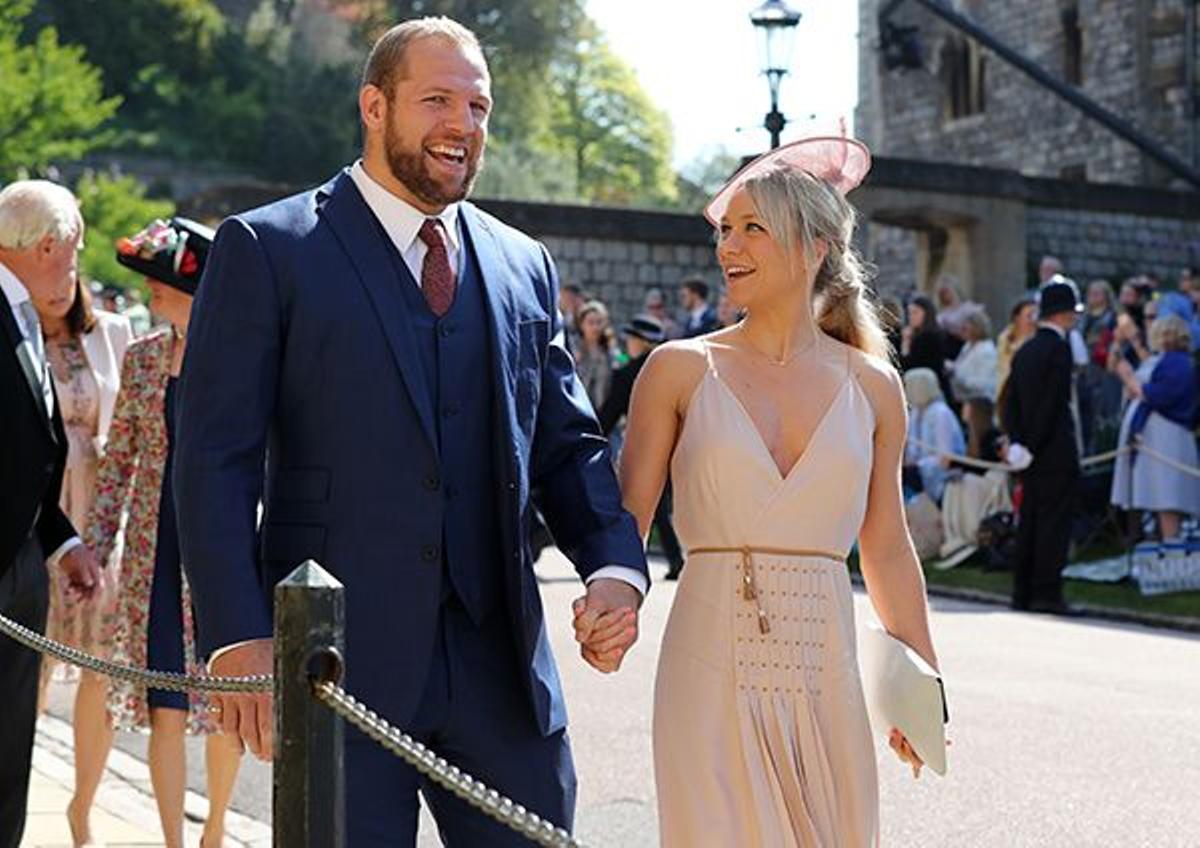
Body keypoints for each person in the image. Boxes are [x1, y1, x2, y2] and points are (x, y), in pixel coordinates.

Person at [173, 18, 647, 846]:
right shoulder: (269, 249)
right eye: (436, 100)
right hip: (336, 667)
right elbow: (215, 460)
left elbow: (565, 445)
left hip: (502, 671)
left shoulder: (521, 262)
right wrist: (239, 637)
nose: (462, 124)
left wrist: (612, 566)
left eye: (479, 105)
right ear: (373, 105)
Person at [619, 136, 939, 845]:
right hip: (705, 663)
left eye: (751, 228)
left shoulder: (874, 387)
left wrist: (924, 686)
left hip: (827, 670)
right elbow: (625, 526)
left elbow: (886, 548)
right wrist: (611, 600)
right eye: (725, 230)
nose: (728, 246)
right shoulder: (676, 370)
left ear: (815, 246)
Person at [80, 218, 244, 847]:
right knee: (165, 709)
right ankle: (176, 840)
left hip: (224, 550)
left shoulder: (239, 361)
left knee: (229, 703)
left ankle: (218, 828)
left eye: (162, 284)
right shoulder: (143, 358)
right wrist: (94, 551)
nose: (150, 295)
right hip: (156, 552)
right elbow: (119, 461)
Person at [0, 179, 101, 847]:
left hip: (22, 566)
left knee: (9, 754)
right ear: (45, 246)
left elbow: (29, 451)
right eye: (73, 252)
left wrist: (62, 543)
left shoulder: (24, 312)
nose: (75, 265)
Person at [29, 267, 132, 844]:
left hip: (98, 517)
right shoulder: (14, 332)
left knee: (100, 667)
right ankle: (20, 781)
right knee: (32, 665)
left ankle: (83, 808)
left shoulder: (110, 332)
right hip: (38, 516)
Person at [1001, 280, 1083, 615]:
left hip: (1029, 452)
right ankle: (1046, 593)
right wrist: (1032, 444)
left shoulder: (1025, 350)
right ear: (1063, 315)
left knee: (1030, 521)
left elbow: (1010, 403)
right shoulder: (1058, 349)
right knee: (1053, 526)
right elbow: (1053, 404)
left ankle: (1023, 591)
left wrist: (1018, 441)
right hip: (1053, 451)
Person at [596, 315, 685, 579]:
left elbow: (608, 415)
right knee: (661, 508)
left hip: (645, 449)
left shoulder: (628, 374)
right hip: (679, 447)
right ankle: (673, 559)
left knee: (639, 506)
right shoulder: (675, 369)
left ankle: (627, 562)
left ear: (640, 342)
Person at [1110, 315, 1200, 541]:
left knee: (1166, 496)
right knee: (1155, 495)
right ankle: (1154, 545)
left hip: (1166, 438)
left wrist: (1128, 376)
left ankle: (1171, 549)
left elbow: (1158, 395)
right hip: (1156, 437)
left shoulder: (1176, 363)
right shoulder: (1167, 360)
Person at [903, 368, 967, 505]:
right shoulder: (916, 412)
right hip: (920, 474)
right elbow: (913, 450)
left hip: (942, 476)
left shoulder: (940, 413)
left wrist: (918, 466)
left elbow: (945, 456)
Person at [574, 298, 617, 411]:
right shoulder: (572, 348)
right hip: (576, 409)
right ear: (581, 324)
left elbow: (623, 360)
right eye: (591, 322)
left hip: (603, 411)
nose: (595, 327)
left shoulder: (609, 350)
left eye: (599, 322)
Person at [946, 308, 998, 401]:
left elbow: (985, 383)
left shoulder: (986, 351)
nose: (962, 331)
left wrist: (959, 377)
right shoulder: (967, 346)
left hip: (979, 401)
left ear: (977, 328)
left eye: (965, 329)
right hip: (963, 397)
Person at [996, 296, 1037, 395]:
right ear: (1017, 318)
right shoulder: (1005, 337)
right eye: (1029, 315)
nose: (1033, 320)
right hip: (1005, 389)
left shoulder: (1038, 339)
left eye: (1036, 315)